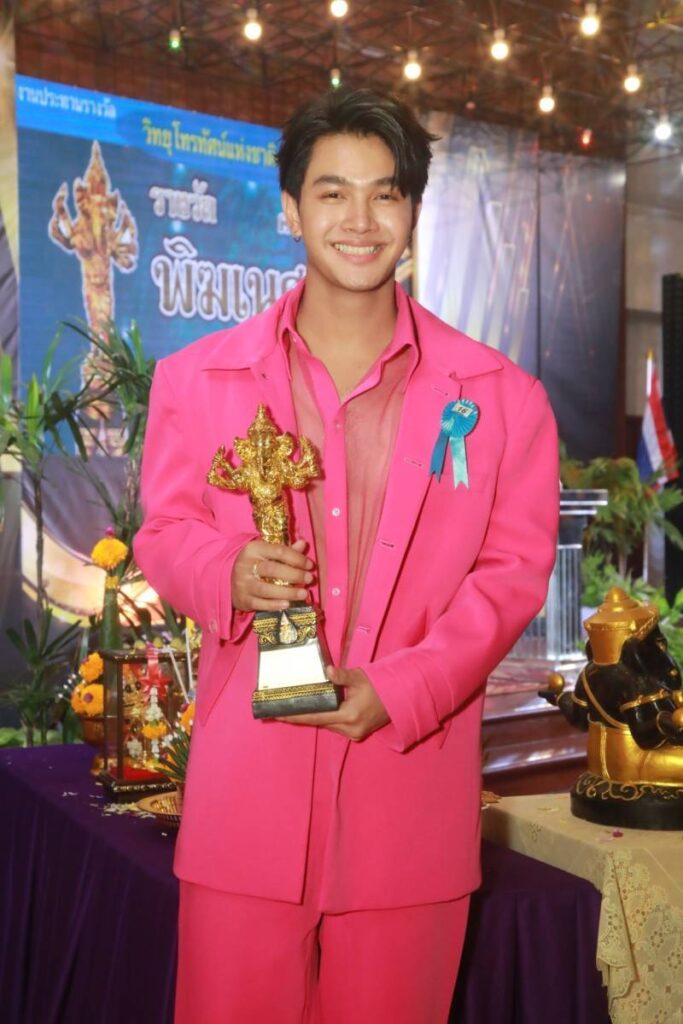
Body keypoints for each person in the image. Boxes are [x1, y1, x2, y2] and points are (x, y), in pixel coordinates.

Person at [134, 87, 559, 1024]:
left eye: (384, 194)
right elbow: (163, 532)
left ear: (412, 212)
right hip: (245, 801)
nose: (359, 221)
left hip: (409, 805)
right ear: (290, 209)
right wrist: (227, 572)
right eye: (332, 193)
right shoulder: (195, 380)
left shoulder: (501, 397)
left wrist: (405, 687)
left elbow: (511, 575)